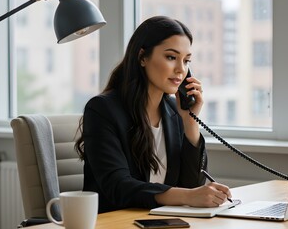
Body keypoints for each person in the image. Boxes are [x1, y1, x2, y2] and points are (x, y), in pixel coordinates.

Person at [74, 16, 232, 213]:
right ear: (142, 57)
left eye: (186, 61)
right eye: (171, 57)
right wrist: (188, 196)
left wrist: (190, 121)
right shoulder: (102, 110)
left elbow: (192, 184)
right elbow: (118, 187)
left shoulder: (175, 111)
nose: (181, 70)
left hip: (159, 221)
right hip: (115, 222)